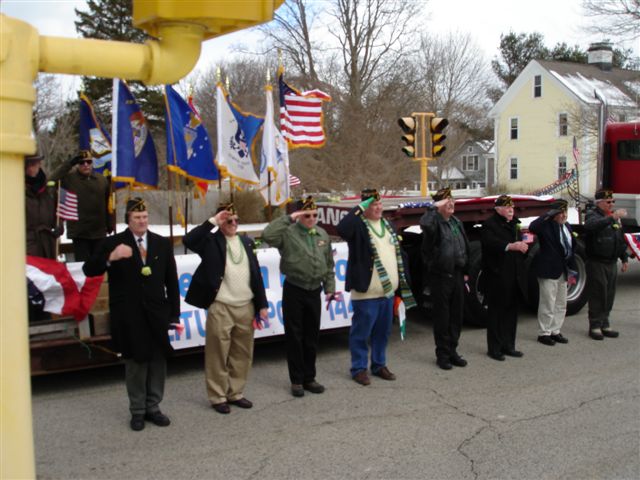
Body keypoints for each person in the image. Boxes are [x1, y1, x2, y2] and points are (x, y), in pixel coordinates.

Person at [83, 198, 180, 431]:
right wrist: (111, 258)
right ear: (128, 219)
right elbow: (89, 269)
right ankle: (137, 410)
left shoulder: (160, 244)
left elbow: (172, 281)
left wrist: (174, 315)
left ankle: (153, 406)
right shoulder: (114, 243)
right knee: (136, 362)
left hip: (157, 313)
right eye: (137, 218)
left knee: (157, 361)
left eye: (145, 217)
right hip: (129, 314)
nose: (142, 221)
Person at [183, 203, 268, 414]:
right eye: (228, 220)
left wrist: (262, 304)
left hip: (245, 306)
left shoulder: (247, 242)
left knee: (242, 352)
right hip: (221, 306)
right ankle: (217, 396)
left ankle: (235, 392)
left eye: (236, 220)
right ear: (221, 221)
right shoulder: (211, 242)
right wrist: (213, 221)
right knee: (217, 353)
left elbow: (256, 275)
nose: (233, 224)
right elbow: (189, 240)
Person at [337, 188, 415, 386]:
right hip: (366, 292)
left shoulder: (387, 225)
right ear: (365, 207)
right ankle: (359, 368)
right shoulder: (358, 225)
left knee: (383, 332)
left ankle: (379, 364)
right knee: (361, 333)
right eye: (373, 204)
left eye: (380, 204)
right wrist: (359, 207)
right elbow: (342, 228)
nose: (379, 207)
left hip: (387, 292)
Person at [262, 196, 336, 398]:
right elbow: (267, 235)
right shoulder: (288, 233)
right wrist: (290, 217)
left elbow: (329, 264)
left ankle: (309, 377)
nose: (311, 219)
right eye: (307, 215)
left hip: (314, 290)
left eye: (314, 215)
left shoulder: (322, 234)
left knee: (312, 336)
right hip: (295, 288)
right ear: (300, 216)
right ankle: (296, 380)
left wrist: (329, 288)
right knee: (295, 336)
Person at [419, 187, 470, 370]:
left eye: (452, 200)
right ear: (438, 205)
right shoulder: (434, 224)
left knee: (457, 316)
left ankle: (453, 351)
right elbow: (424, 224)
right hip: (441, 276)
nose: (451, 204)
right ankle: (442, 355)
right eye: (446, 202)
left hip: (456, 274)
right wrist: (434, 207)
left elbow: (464, 246)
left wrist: (466, 269)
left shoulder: (456, 222)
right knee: (443, 318)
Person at [481, 194, 528, 361]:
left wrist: (523, 244)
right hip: (497, 276)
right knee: (496, 313)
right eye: (507, 207)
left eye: (512, 207)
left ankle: (509, 345)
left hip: (514, 274)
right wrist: (509, 246)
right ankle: (494, 348)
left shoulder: (514, 224)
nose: (511, 210)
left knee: (511, 312)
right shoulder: (490, 225)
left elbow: (522, 240)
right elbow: (489, 243)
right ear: (498, 209)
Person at [529, 199, 576, 346]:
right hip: (548, 270)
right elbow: (533, 227)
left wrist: (572, 271)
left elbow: (570, 248)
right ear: (554, 214)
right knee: (548, 302)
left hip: (563, 269)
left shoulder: (566, 226)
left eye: (565, 212)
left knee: (561, 302)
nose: (563, 216)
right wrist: (548, 215)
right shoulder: (546, 226)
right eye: (560, 213)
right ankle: (544, 333)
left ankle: (556, 330)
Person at [584, 189, 629, 340]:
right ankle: (595, 325)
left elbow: (619, 238)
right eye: (608, 202)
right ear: (599, 203)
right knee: (598, 293)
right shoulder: (592, 215)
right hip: (597, 262)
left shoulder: (613, 218)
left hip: (611, 262)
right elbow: (591, 226)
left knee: (609, 295)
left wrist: (624, 258)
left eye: (613, 202)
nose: (611, 205)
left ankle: (605, 323)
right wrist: (613, 217)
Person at [51, 151, 111, 262]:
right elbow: (52, 180)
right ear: (77, 164)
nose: (86, 165)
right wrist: (69, 164)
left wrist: (110, 222)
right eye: (82, 162)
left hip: (99, 232)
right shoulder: (69, 179)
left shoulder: (102, 180)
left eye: (88, 162)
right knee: (83, 268)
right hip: (80, 233)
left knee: (99, 267)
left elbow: (108, 203)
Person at [25, 154, 62, 259]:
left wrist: (59, 225)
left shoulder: (48, 189)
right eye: (30, 164)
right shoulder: (17, 188)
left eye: (35, 164)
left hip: (49, 243)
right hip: (29, 244)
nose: (34, 167)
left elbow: (58, 212)